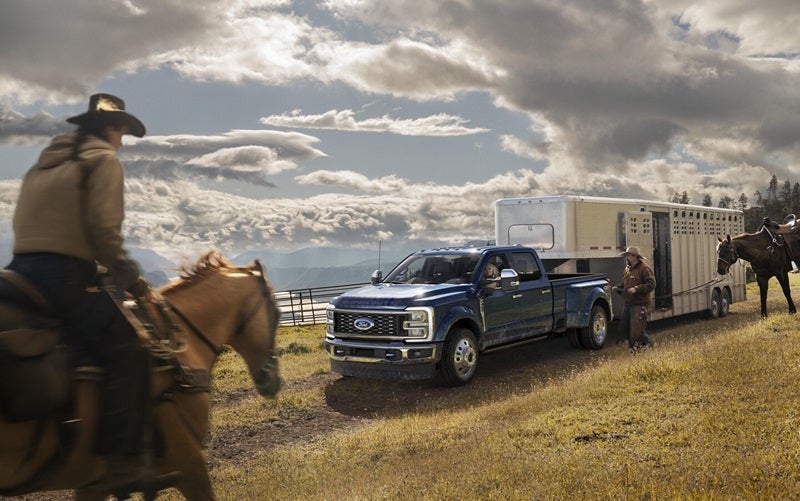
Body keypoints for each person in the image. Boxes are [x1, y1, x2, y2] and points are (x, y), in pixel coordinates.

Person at [6, 93, 172, 492]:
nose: (123, 141)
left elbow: (47, 230)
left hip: (17, 275)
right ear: (110, 129)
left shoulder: (43, 167)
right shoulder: (102, 161)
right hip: (62, 278)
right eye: (123, 131)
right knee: (130, 348)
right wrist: (133, 279)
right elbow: (102, 234)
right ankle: (120, 464)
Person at [611, 246, 656, 352]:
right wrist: (618, 288)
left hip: (639, 304)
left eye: (628, 255)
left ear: (634, 257)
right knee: (626, 328)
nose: (626, 257)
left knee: (636, 331)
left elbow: (651, 284)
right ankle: (643, 347)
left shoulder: (644, 269)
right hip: (628, 303)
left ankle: (643, 348)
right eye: (626, 255)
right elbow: (626, 285)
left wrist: (637, 289)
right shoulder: (628, 269)